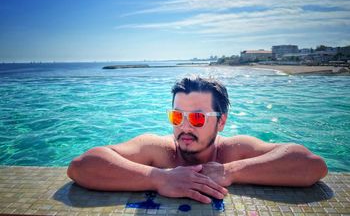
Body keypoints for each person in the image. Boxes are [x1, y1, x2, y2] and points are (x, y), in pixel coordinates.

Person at [67, 76, 328, 204]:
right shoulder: (157, 150)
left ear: (221, 121)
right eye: (177, 116)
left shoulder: (235, 151)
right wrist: (159, 178)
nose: (185, 126)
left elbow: (311, 164)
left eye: (198, 118)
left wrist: (229, 172)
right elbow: (82, 165)